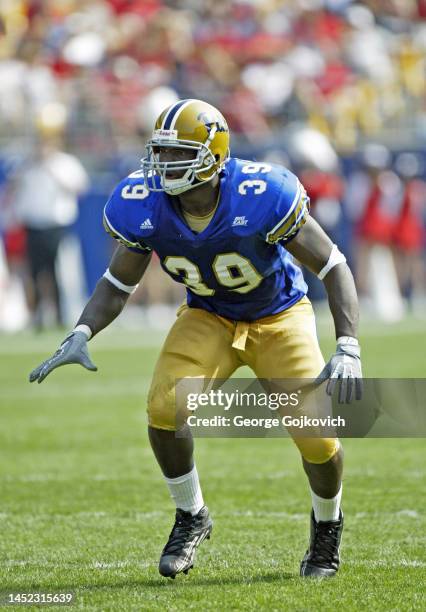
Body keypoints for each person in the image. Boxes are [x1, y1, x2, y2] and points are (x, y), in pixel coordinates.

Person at [29, 99, 362, 579]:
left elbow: (333, 264)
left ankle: (327, 528)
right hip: (209, 315)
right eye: (160, 153)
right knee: (164, 408)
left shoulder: (261, 192)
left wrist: (347, 341)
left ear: (213, 156)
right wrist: (83, 330)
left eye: (177, 154)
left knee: (317, 438)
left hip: (279, 315)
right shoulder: (143, 201)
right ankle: (191, 515)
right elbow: (119, 282)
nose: (163, 166)